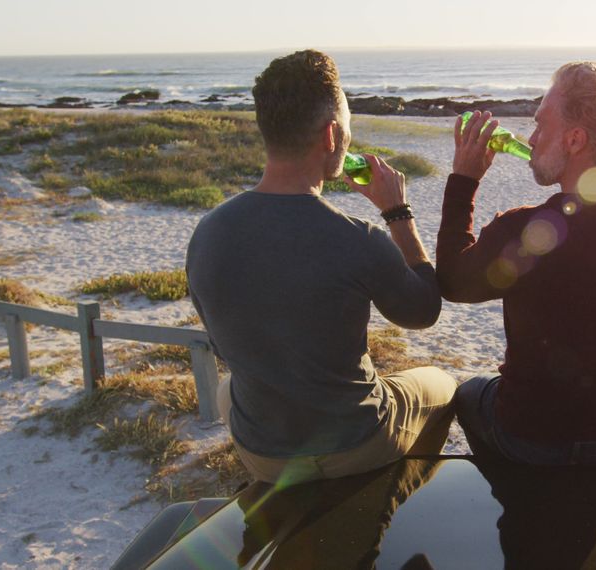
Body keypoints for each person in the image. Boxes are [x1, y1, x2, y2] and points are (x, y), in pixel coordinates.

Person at [186, 50, 456, 488]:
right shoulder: (358, 237)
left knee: (225, 390)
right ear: (332, 135)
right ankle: (397, 489)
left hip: (261, 449)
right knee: (443, 386)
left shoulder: (208, 232)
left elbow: (224, 345)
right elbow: (422, 310)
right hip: (357, 443)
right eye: (347, 128)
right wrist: (397, 212)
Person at [437, 61, 596, 466]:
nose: (532, 139)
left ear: (574, 139)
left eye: (540, 126)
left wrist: (465, 180)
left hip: (532, 437)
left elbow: (451, 282)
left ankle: (511, 484)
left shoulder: (527, 232)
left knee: (466, 394)